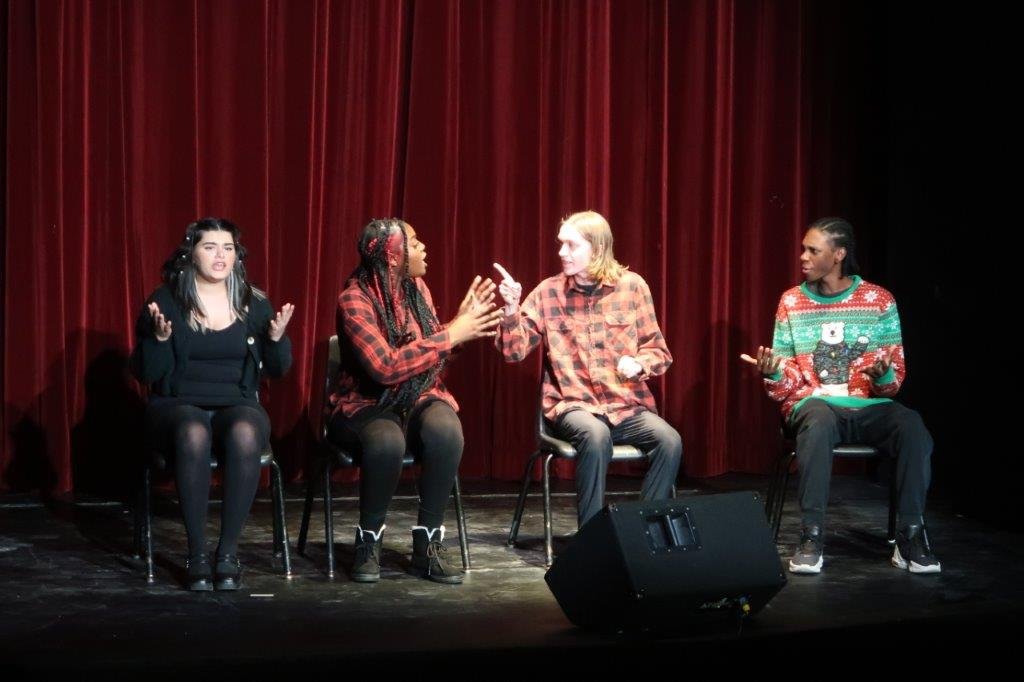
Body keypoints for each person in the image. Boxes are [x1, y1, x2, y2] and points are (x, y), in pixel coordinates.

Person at [741, 216, 940, 574]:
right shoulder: (791, 302)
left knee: (912, 425)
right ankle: (811, 535)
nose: (802, 256)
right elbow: (785, 386)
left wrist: (885, 375)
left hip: (867, 406)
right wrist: (773, 371)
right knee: (816, 417)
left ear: (838, 255)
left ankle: (911, 535)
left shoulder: (878, 300)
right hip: (813, 406)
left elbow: (893, 384)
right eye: (803, 248)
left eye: (812, 250)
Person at [329, 218, 502, 584]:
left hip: (418, 395)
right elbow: (385, 368)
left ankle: (428, 544)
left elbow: (433, 359)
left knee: (446, 430)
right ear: (393, 257)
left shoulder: (417, 289)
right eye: (415, 242)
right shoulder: (355, 299)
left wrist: (458, 330)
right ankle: (369, 540)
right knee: (388, 441)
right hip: (366, 403)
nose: (423, 247)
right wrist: (451, 334)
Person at [132, 217, 294, 591]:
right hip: (177, 404)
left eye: (228, 247)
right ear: (191, 253)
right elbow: (145, 372)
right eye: (210, 247)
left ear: (237, 255)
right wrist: (157, 340)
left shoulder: (254, 303)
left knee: (244, 432)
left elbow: (278, 369)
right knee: (192, 430)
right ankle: (197, 554)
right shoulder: (165, 300)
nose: (220, 255)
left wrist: (276, 339)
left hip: (236, 403)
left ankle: (227, 554)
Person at [493, 210, 682, 528]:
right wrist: (511, 311)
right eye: (560, 244)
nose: (561, 252)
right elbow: (513, 352)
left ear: (596, 248)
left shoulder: (632, 287)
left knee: (670, 441)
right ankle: (592, 537)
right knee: (595, 436)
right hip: (574, 406)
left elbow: (658, 351)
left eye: (570, 245)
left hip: (625, 406)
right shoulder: (549, 292)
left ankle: (642, 531)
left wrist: (639, 363)